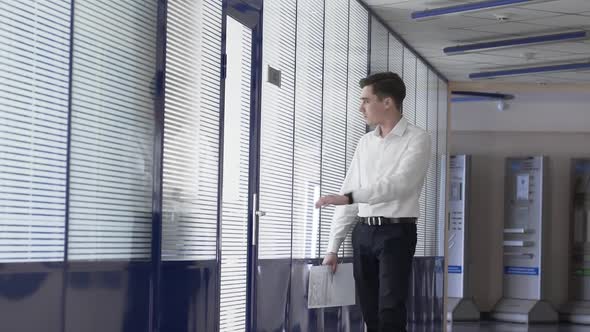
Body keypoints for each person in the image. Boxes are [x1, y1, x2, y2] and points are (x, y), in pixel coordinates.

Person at [315, 72, 431, 332]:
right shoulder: (365, 143)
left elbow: (400, 185)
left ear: (387, 102)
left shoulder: (417, 138)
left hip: (396, 232)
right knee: (369, 310)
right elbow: (349, 190)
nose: (361, 108)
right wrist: (333, 247)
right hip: (364, 232)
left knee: (390, 308)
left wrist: (350, 197)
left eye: (366, 101)